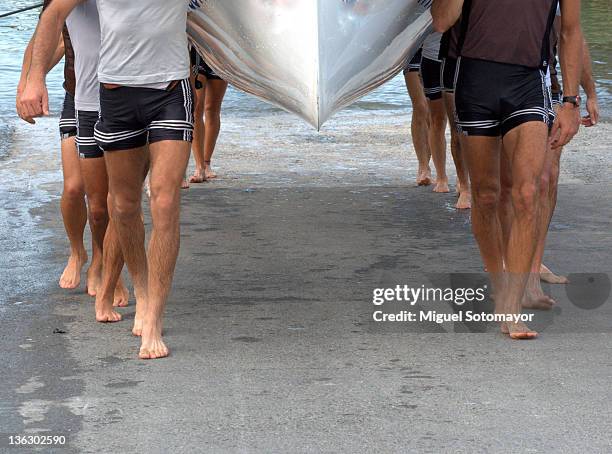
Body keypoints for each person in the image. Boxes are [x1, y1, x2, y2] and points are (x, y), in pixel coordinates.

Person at [22, 0, 195, 359]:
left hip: (170, 92)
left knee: (164, 201)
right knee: (124, 206)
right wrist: (34, 77)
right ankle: (142, 291)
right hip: (114, 97)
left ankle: (154, 318)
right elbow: (53, 14)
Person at [432, 0, 583, 339]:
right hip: (474, 78)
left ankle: (511, 308)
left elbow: (571, 31)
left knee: (527, 192)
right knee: (486, 195)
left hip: (529, 81)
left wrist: (572, 102)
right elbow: (441, 21)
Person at [16, 3, 88, 292]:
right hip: (77, 92)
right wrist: (28, 83)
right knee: (73, 188)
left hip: (120, 93)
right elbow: (50, 33)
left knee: (108, 197)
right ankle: (77, 251)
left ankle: (106, 265)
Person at [439, 22, 471, 209]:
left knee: (493, 132)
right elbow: (440, 20)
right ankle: (465, 186)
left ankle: (486, 183)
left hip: (489, 60)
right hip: (454, 58)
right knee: (458, 130)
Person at [188, 46, 228, 183]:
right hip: (197, 51)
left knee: (212, 108)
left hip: (219, 52)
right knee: (196, 108)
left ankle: (206, 163)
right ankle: (199, 167)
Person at [419, 31, 449, 193]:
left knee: (460, 123)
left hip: (458, 59)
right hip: (431, 59)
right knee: (437, 119)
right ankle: (441, 177)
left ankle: (463, 180)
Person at [403, 48, 432, 186]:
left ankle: (433, 165)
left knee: (434, 113)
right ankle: (423, 165)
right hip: (414, 50)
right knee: (421, 106)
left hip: (436, 49)